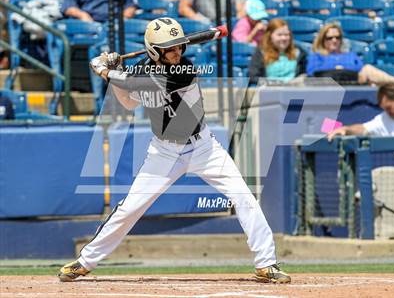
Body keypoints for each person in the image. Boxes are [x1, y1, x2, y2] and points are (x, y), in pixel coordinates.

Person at [59, 17, 291, 284]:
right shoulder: (139, 70)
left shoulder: (185, 70)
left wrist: (106, 71)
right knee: (129, 208)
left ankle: (266, 264)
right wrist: (116, 74)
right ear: (154, 50)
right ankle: (85, 261)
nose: (177, 51)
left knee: (243, 196)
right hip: (164, 153)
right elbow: (129, 102)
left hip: (203, 148)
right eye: (170, 48)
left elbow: (136, 84)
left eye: (179, 46)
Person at [327, 83, 394, 232]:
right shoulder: (385, 119)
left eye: (389, 108)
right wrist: (345, 129)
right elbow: (364, 129)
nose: (388, 112)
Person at [307, 23, 394, 86]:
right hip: (329, 88)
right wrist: (336, 69)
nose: (334, 40)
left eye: (337, 37)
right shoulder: (317, 56)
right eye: (330, 38)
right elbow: (312, 72)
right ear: (323, 39)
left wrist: (342, 69)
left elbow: (360, 69)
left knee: (368, 69)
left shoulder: (350, 55)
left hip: (353, 83)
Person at [249, 18, 307, 85]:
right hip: (269, 91)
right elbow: (253, 76)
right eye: (279, 35)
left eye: (286, 35)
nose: (283, 38)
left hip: (293, 91)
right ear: (270, 36)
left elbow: (305, 74)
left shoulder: (299, 52)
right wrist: (271, 83)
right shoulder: (261, 52)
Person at [62, 0, 137, 23]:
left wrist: (125, 16)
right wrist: (82, 15)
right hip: (89, 23)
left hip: (117, 23)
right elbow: (68, 7)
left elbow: (130, 4)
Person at [178, 0, 247, 24]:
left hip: (227, 27)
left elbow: (241, 11)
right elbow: (183, 7)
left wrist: (230, 24)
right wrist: (202, 21)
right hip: (203, 27)